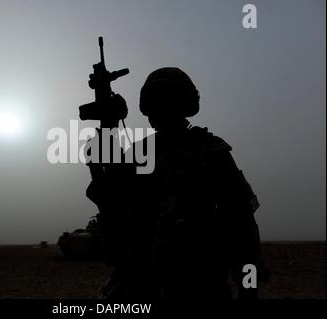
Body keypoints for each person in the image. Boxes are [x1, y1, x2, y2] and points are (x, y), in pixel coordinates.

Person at [86, 67, 263, 299]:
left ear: (181, 104)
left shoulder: (209, 150)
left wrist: (248, 291)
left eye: (164, 100)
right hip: (137, 284)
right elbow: (110, 199)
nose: (156, 109)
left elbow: (242, 225)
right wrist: (108, 123)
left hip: (196, 285)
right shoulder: (140, 151)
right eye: (152, 101)